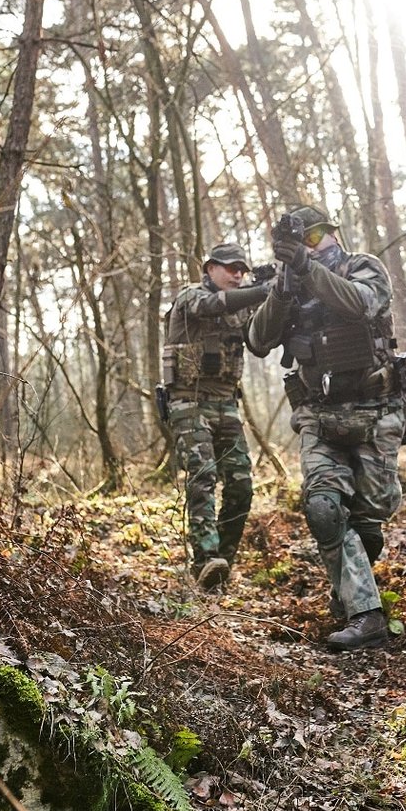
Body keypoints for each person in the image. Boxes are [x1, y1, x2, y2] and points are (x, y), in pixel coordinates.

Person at [247, 206, 406, 651]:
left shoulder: (364, 268)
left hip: (376, 410)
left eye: (316, 237)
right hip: (319, 415)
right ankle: (367, 616)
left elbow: (359, 303)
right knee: (322, 509)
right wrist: (282, 287)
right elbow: (259, 341)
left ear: (333, 234)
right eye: (302, 241)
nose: (310, 246)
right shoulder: (291, 286)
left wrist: (306, 267)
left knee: (368, 522)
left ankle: (350, 596)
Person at [162, 243, 270, 588]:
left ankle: (222, 563)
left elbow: (260, 342)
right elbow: (211, 306)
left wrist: (277, 296)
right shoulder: (191, 296)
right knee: (203, 474)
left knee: (241, 484)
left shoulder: (242, 306)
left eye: (242, 269)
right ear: (210, 269)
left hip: (226, 404)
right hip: (188, 402)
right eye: (230, 268)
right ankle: (205, 558)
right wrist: (260, 291)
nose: (238, 274)